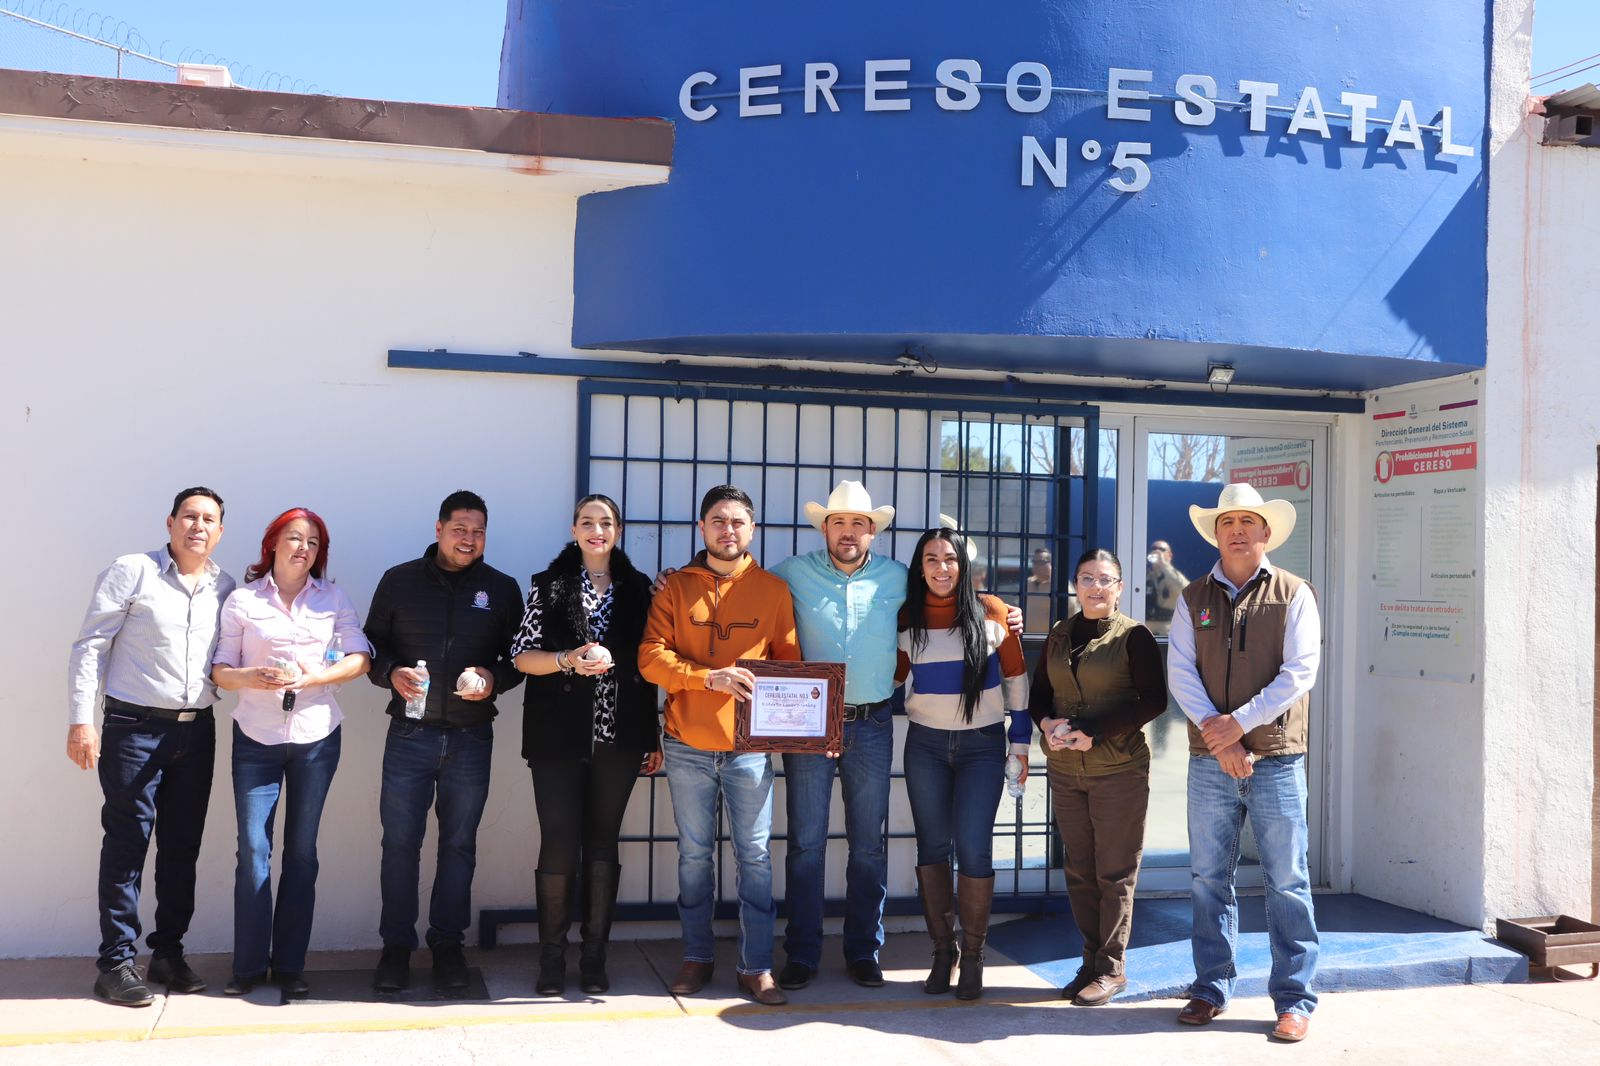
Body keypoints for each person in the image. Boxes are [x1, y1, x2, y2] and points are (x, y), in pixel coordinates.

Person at [67, 487, 234, 1006]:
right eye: (189, 516)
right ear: (170, 522)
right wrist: (81, 721)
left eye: (208, 519)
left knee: (182, 845)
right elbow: (91, 645)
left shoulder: (225, 586)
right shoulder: (133, 571)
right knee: (128, 842)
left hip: (196, 730)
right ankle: (117, 963)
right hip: (132, 728)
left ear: (220, 531)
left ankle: (168, 953)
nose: (197, 526)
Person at [1168, 483, 1321, 1043]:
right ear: (1216, 534)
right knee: (1209, 878)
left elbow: (1300, 672)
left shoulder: (1295, 592)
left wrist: (1239, 723)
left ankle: (1294, 999)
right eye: (1227, 522)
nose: (1236, 530)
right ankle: (1210, 987)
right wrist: (1221, 737)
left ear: (1265, 532)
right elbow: (1180, 673)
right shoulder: (1192, 598)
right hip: (1211, 759)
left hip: (1276, 759)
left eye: (1247, 522)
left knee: (1288, 881)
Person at [639, 485, 801, 1006]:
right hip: (686, 742)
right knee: (694, 855)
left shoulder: (774, 591)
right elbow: (650, 658)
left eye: (737, 521)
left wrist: (809, 727)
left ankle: (757, 966)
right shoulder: (675, 587)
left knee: (755, 856)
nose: (727, 530)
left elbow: (790, 668)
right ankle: (697, 957)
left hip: (749, 748)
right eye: (717, 520)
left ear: (752, 529)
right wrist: (709, 679)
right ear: (701, 528)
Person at [364, 490, 525, 994]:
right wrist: (391, 672)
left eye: (478, 532)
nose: (468, 539)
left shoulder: (501, 588)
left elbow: (519, 658)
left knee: (458, 845)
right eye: (459, 529)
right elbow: (370, 648)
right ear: (438, 530)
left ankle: (448, 946)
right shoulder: (399, 580)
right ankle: (396, 948)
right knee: (399, 845)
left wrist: (492, 679)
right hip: (409, 735)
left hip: (471, 737)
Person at [211, 508, 372, 997]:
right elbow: (221, 670)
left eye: (313, 542)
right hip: (255, 737)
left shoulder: (332, 598)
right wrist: (251, 677)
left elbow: (360, 658)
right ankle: (246, 968)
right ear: (273, 544)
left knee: (302, 852)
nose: (304, 548)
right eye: (295, 538)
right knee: (253, 852)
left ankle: (289, 967)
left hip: (316, 737)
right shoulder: (243, 600)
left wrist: (316, 677)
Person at [511, 494, 661, 996]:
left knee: (602, 840)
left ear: (618, 530)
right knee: (558, 838)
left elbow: (650, 666)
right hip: (556, 734)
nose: (597, 530)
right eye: (587, 522)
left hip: (619, 735)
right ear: (574, 529)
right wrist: (568, 660)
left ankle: (594, 955)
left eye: (606, 522)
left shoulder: (639, 588)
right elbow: (521, 656)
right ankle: (552, 958)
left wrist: (652, 735)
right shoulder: (548, 584)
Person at [770, 480, 905, 991]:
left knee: (868, 845)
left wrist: (1002, 611)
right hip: (809, 724)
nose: (848, 531)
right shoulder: (791, 573)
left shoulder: (898, 577)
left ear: (872, 531)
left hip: (872, 723)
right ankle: (802, 954)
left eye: (858, 523)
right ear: (824, 528)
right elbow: (739, 587)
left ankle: (864, 951)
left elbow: (948, 603)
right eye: (839, 522)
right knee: (805, 844)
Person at [896, 527, 1031, 1001]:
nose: (941, 568)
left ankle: (973, 955)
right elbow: (891, 675)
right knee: (932, 848)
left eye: (950, 559)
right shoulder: (906, 617)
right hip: (925, 745)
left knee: (974, 849)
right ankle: (942, 951)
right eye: (931, 559)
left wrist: (1020, 743)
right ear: (920, 568)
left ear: (964, 565)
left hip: (982, 746)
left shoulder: (992, 611)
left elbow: (1016, 678)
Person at [1029, 549, 1166, 1006]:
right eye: (1087, 578)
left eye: (1105, 579)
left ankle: (1112, 968)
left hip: (1119, 770)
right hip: (1066, 770)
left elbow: (1153, 701)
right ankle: (1089, 962)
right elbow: (1039, 695)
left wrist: (1095, 731)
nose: (1095, 587)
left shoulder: (1134, 637)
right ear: (1075, 584)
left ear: (1120, 587)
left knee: (1115, 871)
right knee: (1080, 870)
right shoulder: (1059, 633)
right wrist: (1046, 724)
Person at [1144, 540, 1188, 638]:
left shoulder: (1174, 576)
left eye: (1161, 549)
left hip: (1164, 637)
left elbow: (1185, 591)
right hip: (1143, 632)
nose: (1156, 552)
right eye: (1154, 549)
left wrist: (1164, 565)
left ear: (1169, 555)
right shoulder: (1144, 574)